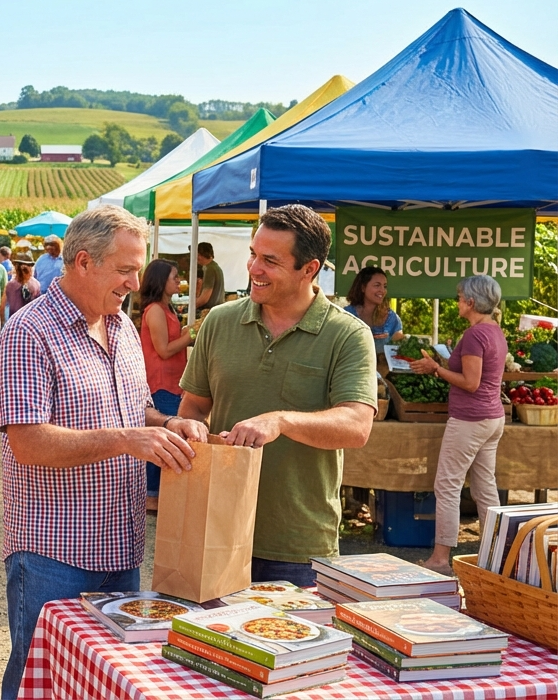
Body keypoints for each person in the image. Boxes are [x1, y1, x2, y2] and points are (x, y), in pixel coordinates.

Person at [0, 205, 203, 700]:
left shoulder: (123, 327)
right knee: (37, 682)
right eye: (126, 269)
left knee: (99, 683)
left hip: (121, 548)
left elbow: (138, 410)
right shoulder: (28, 332)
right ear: (83, 262)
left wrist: (169, 423)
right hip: (52, 553)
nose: (135, 282)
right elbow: (27, 442)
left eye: (138, 269)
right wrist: (127, 440)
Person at [178, 204, 377, 587]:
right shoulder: (219, 322)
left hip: (298, 545)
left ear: (309, 269)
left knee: (292, 646)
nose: (254, 268)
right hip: (214, 531)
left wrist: (281, 421)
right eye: (253, 254)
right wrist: (188, 427)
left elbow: (357, 426)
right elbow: (195, 405)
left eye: (270, 260)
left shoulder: (347, 334)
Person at [408, 275, 506, 576]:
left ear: (471, 302)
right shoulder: (494, 331)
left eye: (459, 296)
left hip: (470, 419)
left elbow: (471, 382)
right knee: (485, 489)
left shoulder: (476, 335)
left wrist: (436, 369)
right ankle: (498, 557)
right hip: (492, 418)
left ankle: (440, 558)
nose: (457, 301)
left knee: (448, 486)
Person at [138, 259, 193, 508]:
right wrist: (191, 335)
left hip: (171, 381)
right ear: (161, 281)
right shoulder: (156, 311)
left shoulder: (166, 308)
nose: (178, 281)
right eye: (174, 277)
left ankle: (155, 494)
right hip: (160, 383)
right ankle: (151, 496)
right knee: (161, 440)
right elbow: (164, 350)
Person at [344, 266, 405, 353]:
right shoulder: (346, 316)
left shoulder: (392, 319)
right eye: (377, 285)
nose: (382, 290)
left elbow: (399, 353)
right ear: (363, 288)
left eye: (385, 286)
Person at [0, 252, 40, 324]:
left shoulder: (11, 285)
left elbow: (3, 306)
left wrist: (2, 321)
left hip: (14, 322)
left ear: (16, 267)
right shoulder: (36, 284)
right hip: (31, 322)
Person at [193, 241, 225, 314]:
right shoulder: (215, 267)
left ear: (199, 255)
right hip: (216, 310)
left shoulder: (209, 269)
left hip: (209, 311)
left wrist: (191, 307)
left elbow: (204, 298)